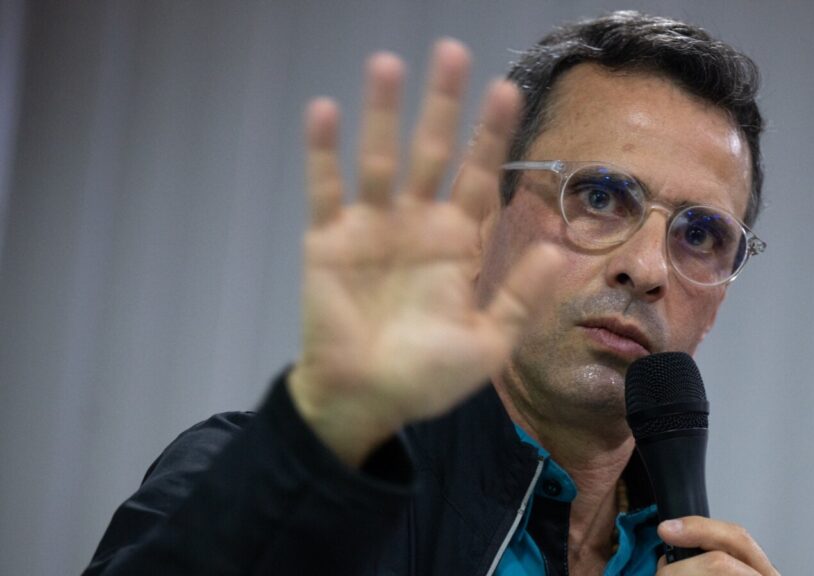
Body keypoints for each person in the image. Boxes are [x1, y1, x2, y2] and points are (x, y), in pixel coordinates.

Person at [85, 11, 777, 575]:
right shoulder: (274, 488)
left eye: (700, 234)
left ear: (718, 299)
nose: (648, 267)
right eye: (599, 196)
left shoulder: (698, 565)